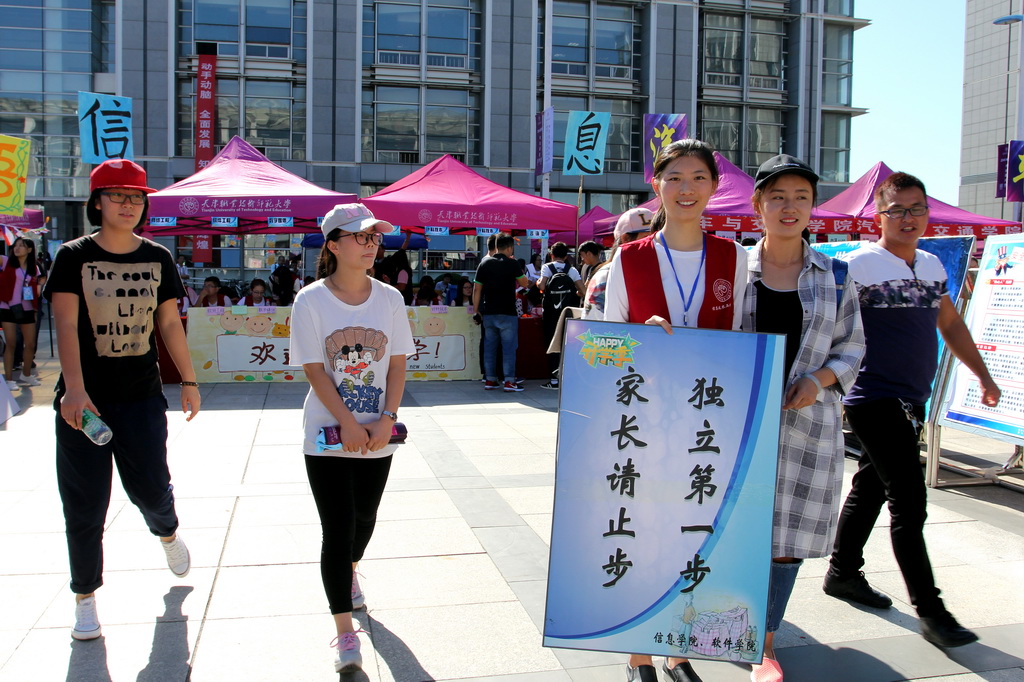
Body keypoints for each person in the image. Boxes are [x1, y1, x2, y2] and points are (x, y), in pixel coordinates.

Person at [823, 172, 1001, 649]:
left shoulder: (931, 265)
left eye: (916, 208)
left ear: (927, 213)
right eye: (897, 210)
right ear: (878, 217)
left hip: (911, 400)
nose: (908, 218)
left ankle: (842, 573)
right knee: (909, 499)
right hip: (871, 397)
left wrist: (983, 376)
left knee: (871, 486)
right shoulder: (857, 266)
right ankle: (932, 611)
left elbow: (951, 325)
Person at [602, 139, 748, 682]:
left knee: (692, 534)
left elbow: (741, 338)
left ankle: (678, 647)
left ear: (714, 186)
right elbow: (604, 345)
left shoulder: (735, 257)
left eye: (698, 178)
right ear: (657, 185)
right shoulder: (630, 258)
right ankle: (639, 652)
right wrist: (639, 338)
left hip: (707, 420)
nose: (687, 189)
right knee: (641, 531)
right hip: (644, 419)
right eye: (675, 178)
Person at [43, 158, 201, 642]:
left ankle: (167, 533)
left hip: (141, 398)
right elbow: (65, 323)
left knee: (151, 489)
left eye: (136, 198)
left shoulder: (158, 257)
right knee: (85, 504)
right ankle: (85, 597)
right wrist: (75, 389)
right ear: (97, 202)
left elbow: (168, 323)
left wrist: (189, 381)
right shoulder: (73, 256)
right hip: (84, 403)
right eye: (118, 196)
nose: (128, 205)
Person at [742, 155, 866, 682]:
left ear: (813, 206)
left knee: (786, 537)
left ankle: (765, 642)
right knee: (732, 526)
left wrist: (817, 381)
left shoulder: (836, 275)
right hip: (736, 424)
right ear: (758, 205)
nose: (789, 207)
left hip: (806, 426)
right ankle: (720, 622)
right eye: (777, 197)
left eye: (801, 197)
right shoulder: (733, 270)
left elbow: (852, 347)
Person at [289, 203, 413, 674]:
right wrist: (348, 423)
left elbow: (397, 364)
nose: (371, 244)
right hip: (327, 433)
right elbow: (315, 370)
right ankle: (344, 630)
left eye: (375, 237)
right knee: (337, 529)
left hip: (378, 430)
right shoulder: (310, 300)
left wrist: (386, 417)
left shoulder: (390, 299)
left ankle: (351, 570)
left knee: (365, 519)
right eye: (361, 236)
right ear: (334, 245)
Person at [473, 232, 528, 392]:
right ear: (510, 248)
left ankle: (490, 380)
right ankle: (509, 381)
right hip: (508, 312)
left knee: (490, 348)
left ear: (495, 246)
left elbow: (477, 289)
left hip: (489, 312)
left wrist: (476, 310)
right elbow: (524, 282)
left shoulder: (484, 264)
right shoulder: (513, 263)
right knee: (509, 348)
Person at [583, 208, 654, 320]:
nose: (653, 244)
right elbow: (593, 327)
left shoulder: (658, 271)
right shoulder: (606, 276)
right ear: (625, 239)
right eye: (646, 238)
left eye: (656, 238)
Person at [537, 241, 585, 390]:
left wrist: (538, 282)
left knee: (552, 344)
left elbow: (542, 286)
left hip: (551, 314)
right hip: (568, 313)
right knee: (568, 344)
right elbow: (583, 291)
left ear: (551, 255)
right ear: (566, 256)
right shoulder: (572, 270)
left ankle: (554, 380)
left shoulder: (547, 267)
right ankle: (567, 378)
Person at [1, 237, 46, 389]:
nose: (17, 248)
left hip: (27, 308)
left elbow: (36, 290)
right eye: (16, 245)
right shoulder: (6, 261)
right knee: (11, 343)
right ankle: (9, 380)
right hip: (8, 307)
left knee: (30, 344)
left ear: (29, 250)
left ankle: (26, 374)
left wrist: (40, 287)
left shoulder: (34, 268)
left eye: (22, 246)